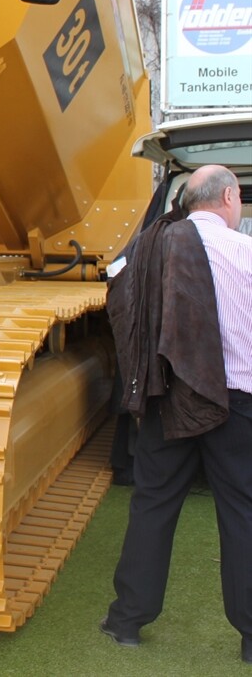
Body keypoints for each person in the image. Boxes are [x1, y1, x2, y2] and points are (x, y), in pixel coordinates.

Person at [101, 164, 251, 664]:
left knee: (153, 503)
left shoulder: (148, 249)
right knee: (242, 512)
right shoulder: (247, 254)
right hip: (237, 401)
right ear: (229, 197)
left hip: (168, 396)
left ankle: (126, 621)